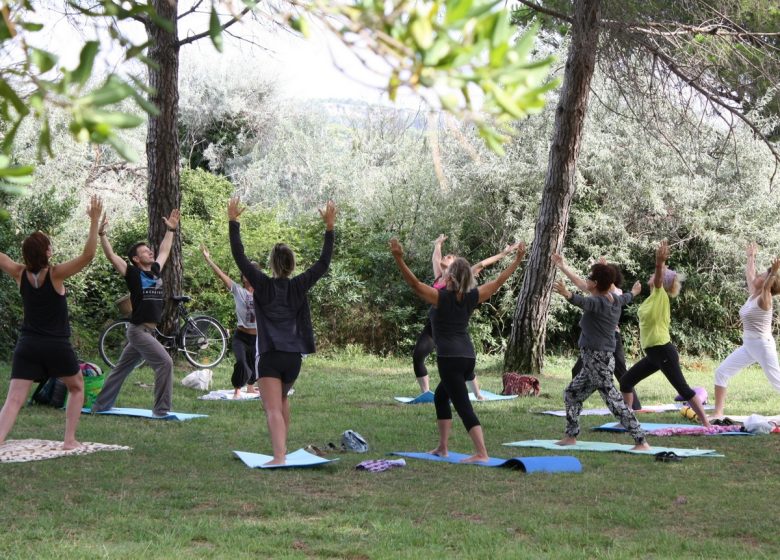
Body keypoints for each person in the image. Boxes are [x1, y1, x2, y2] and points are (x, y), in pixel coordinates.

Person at [390, 237, 525, 463]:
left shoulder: (441, 298)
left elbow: (414, 285)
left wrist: (399, 258)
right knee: (441, 397)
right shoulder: (472, 296)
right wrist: (518, 260)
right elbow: (499, 281)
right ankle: (442, 448)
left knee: (463, 405)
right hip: (467, 357)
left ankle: (482, 453)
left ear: (451, 277)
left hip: (450, 359)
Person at [229, 197, 336, 466]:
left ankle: (279, 456)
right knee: (283, 399)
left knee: (272, 407)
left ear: (272, 264)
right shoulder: (299, 285)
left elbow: (240, 257)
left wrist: (233, 223)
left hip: (270, 357)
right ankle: (283, 450)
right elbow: (323, 263)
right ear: (291, 264)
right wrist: (330, 228)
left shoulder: (262, 285)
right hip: (293, 359)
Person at [0, 195, 103, 449]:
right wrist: (94, 221)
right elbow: (88, 255)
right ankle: (69, 440)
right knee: (77, 387)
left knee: (14, 399)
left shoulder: (19, 273)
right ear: (47, 251)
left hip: (28, 345)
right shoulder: (55, 275)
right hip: (56, 345)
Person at [92, 209, 181, 417]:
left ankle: (99, 406)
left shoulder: (155, 270)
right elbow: (112, 257)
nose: (149, 252)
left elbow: (165, 251)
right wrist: (102, 235)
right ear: (135, 259)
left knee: (121, 369)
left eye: (149, 250)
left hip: (148, 332)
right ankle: (161, 410)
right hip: (138, 330)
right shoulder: (132, 273)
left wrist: (170, 230)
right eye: (144, 251)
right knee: (165, 363)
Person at [552, 260, 649, 450]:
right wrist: (635, 292)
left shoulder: (600, 302)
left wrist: (566, 294)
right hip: (593, 361)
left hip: (598, 360)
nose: (586, 280)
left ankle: (640, 440)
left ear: (595, 284)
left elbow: (582, 301)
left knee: (614, 400)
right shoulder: (615, 299)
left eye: (589, 277)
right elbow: (627, 297)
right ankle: (571, 436)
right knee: (571, 394)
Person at [412, 234, 520, 397]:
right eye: (447, 255)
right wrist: (438, 244)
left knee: (459, 360)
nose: (447, 256)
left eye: (451, 257)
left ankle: (477, 394)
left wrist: (504, 254)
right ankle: (426, 393)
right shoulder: (439, 277)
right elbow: (436, 259)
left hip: (451, 325)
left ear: (455, 267)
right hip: (434, 325)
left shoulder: (461, 276)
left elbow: (483, 264)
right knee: (418, 355)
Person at [619, 240, 711, 426]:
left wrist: (659, 263)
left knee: (683, 389)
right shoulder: (653, 297)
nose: (653, 275)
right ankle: (626, 420)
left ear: (662, 280)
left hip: (663, 351)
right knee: (626, 381)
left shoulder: (660, 294)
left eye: (656, 274)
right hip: (653, 353)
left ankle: (706, 423)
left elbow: (659, 279)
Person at [712, 243, 780, 417]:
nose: (758, 275)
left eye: (762, 275)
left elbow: (765, 286)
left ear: (768, 282)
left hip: (763, 346)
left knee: (777, 382)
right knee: (722, 372)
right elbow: (750, 275)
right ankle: (718, 413)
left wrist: (773, 272)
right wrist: (751, 257)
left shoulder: (765, 299)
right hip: (749, 345)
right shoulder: (754, 293)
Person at [201, 244, 260, 399]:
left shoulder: (264, 292)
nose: (247, 275)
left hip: (257, 337)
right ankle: (237, 390)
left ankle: (251, 387)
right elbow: (221, 275)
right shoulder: (238, 290)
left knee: (254, 363)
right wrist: (208, 259)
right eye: (245, 273)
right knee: (241, 363)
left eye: (251, 272)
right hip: (241, 336)